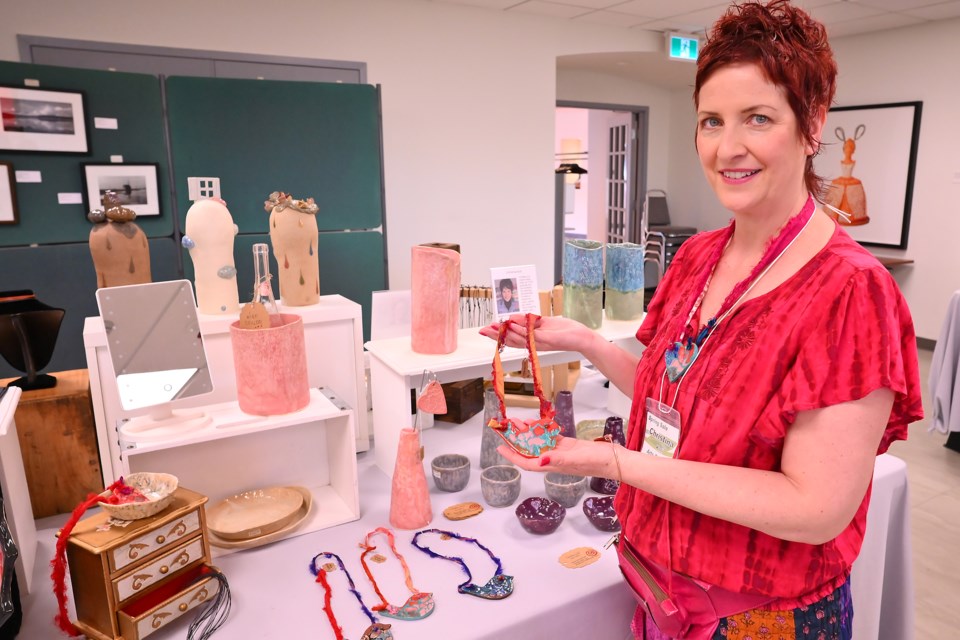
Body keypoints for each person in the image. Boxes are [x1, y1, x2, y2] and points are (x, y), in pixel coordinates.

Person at [480, 2, 923, 638]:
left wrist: (612, 462)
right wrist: (581, 341)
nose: (727, 147)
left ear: (813, 124)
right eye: (711, 121)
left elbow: (815, 507)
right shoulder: (697, 257)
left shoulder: (850, 292)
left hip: (762, 621)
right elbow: (678, 400)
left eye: (758, 119)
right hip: (661, 596)